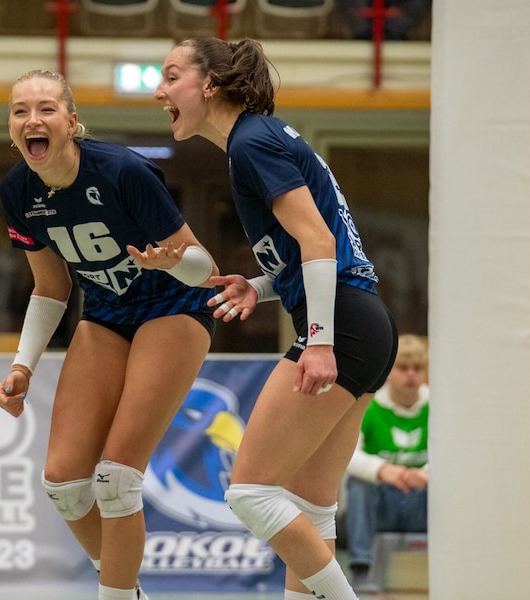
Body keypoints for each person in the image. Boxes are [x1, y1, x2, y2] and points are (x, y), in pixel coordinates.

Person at [154, 38, 398, 600]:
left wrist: (318, 341)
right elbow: (311, 251)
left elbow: (316, 241)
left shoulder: (251, 142)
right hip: (364, 322)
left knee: (250, 492)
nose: (159, 90)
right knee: (311, 508)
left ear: (209, 85)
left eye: (171, 76)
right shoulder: (262, 137)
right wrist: (260, 286)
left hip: (342, 324)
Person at [0, 69, 219, 600]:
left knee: (117, 478)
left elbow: (204, 267)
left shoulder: (122, 172)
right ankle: (127, 588)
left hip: (174, 306)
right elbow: (51, 287)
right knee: (66, 486)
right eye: (20, 110)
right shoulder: (17, 191)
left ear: (71, 122)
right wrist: (23, 365)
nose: (33, 120)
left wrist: (171, 262)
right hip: (107, 314)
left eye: (46, 108)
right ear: (11, 128)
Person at [344, 333, 429, 593]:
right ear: (390, 372)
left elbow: (457, 454)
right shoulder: (369, 406)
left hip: (422, 501)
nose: (411, 375)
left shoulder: (439, 404)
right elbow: (347, 455)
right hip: (381, 505)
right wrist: (383, 471)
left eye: (418, 368)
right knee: (359, 483)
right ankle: (362, 569)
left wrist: (427, 474)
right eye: (403, 368)